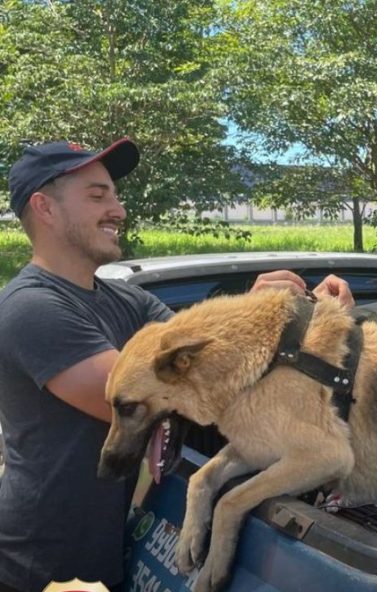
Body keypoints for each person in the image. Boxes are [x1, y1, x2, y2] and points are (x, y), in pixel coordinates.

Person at [0, 138, 354, 592]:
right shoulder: (32, 309)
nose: (118, 209)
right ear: (44, 208)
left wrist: (302, 316)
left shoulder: (127, 300)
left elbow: (204, 363)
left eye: (113, 193)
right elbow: (136, 401)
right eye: (97, 195)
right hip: (38, 569)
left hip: (102, 557)